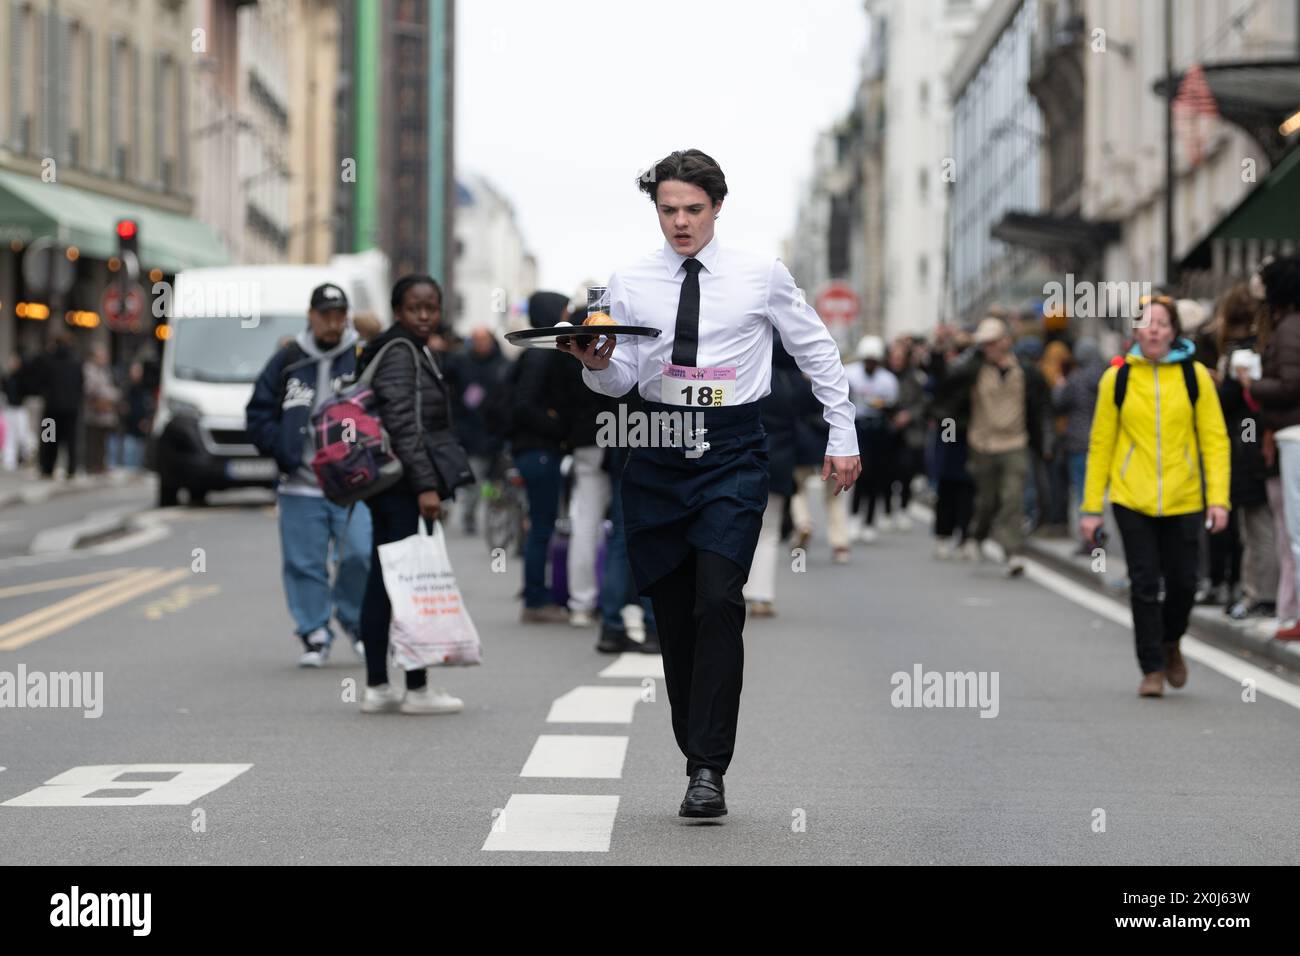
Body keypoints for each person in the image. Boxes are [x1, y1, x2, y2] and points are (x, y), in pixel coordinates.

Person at [557, 148, 860, 817]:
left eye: (693, 209)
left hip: (732, 451)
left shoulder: (762, 275)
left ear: (717, 207)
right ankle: (694, 745)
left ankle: (707, 768)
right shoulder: (630, 280)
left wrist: (843, 435)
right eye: (668, 210)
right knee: (674, 615)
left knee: (719, 601)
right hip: (657, 447)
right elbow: (621, 382)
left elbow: (815, 350)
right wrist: (593, 362)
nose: (680, 222)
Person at [1081, 297, 1231, 696]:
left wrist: (1219, 499)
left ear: (1174, 331)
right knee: (1145, 582)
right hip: (1132, 498)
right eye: (1146, 323)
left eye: (1162, 323)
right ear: (1135, 331)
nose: (1154, 330)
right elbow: (1100, 445)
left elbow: (1215, 441)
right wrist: (1091, 507)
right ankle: (1151, 668)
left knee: (1183, 583)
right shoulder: (1118, 379)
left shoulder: (1194, 377)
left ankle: (1170, 641)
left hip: (1185, 496)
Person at [355, 275, 470, 713]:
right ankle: (416, 689)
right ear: (397, 311)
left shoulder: (401, 347)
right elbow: (405, 425)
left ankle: (379, 686)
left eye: (431, 307)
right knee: (410, 584)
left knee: (384, 581)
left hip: (390, 483)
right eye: (414, 308)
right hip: (403, 485)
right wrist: (425, 485)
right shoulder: (402, 352)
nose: (424, 315)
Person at [246, 283, 373, 667]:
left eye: (339, 314)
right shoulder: (288, 359)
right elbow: (258, 412)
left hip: (353, 483)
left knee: (360, 555)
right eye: (325, 314)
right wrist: (281, 448)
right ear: (311, 315)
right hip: (299, 484)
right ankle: (314, 632)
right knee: (303, 563)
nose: (333, 323)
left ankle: (354, 620)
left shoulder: (362, 356)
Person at [936, 317, 1049, 576]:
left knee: (1013, 497)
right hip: (982, 442)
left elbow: (1042, 407)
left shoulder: (1026, 372)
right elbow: (946, 392)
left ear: (1006, 342)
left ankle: (1013, 552)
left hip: (1015, 442)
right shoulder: (972, 370)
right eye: (984, 344)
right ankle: (978, 534)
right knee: (986, 500)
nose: (988, 349)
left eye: (992, 343)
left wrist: (1045, 443)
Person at [1238, 255, 1300, 640]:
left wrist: (1251, 384)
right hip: (1288, 433)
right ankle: (1289, 612)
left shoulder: (1289, 328)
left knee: (1296, 530)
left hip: (1294, 434)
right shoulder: (1290, 326)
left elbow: (1292, 383)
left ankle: (1294, 617)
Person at [512, 291, 576, 624]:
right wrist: (558, 426)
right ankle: (536, 598)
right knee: (541, 526)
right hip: (538, 451)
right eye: (564, 310)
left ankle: (536, 593)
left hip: (535, 450)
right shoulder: (541, 353)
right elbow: (524, 404)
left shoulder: (536, 349)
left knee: (540, 523)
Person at [1215, 284, 1275, 621]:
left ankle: (1262, 595)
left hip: (1251, 445)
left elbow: (1241, 406)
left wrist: (1229, 386)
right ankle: (1257, 593)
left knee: (1258, 525)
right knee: (1256, 526)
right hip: (1254, 442)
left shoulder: (1244, 354)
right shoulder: (1262, 348)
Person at [742, 339, 800, 617]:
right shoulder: (796, 384)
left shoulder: (753, 373)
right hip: (781, 462)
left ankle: (735, 587)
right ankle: (762, 595)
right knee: (770, 531)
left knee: (737, 525)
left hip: (745, 454)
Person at [446, 326, 507, 536]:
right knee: (474, 479)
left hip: (497, 433)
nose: (480, 344)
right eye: (476, 340)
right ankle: (470, 515)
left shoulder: (503, 365)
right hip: (470, 432)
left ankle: (495, 516)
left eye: (484, 339)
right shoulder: (460, 363)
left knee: (495, 481)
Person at [1053, 338, 1107, 551]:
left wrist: (1059, 385)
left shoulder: (1075, 379)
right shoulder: (1107, 376)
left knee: (1084, 492)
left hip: (1079, 442)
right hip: (1104, 442)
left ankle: (1090, 539)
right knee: (1102, 493)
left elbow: (1059, 403)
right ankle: (1099, 535)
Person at [845, 335, 898, 543]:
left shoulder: (887, 380)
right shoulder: (851, 374)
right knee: (859, 474)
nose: (870, 365)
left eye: (874, 361)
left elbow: (892, 405)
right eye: (867, 361)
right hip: (857, 427)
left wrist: (883, 406)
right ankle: (855, 516)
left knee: (876, 476)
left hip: (879, 428)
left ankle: (869, 521)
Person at [33, 334, 84, 479]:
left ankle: (47, 468)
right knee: (71, 441)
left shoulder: (49, 361)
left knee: (49, 439)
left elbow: (40, 382)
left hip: (52, 408)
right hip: (71, 408)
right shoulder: (76, 362)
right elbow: (80, 385)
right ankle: (71, 469)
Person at [82, 345, 121, 475]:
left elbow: (113, 389)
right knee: (93, 440)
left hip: (107, 412)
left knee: (103, 441)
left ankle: (100, 464)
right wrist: (106, 394)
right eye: (101, 356)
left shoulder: (106, 371)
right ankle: (91, 465)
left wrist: (112, 396)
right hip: (94, 411)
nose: (104, 358)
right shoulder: (88, 369)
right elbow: (91, 388)